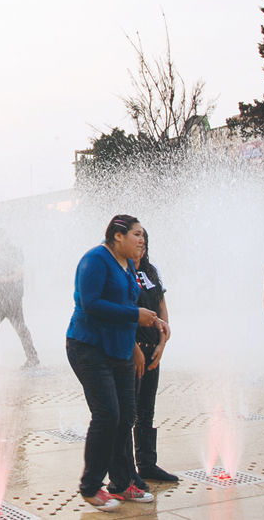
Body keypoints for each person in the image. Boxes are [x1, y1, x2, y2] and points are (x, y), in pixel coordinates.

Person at [67, 215, 169, 512]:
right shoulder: (95, 260)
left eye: (143, 236)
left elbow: (126, 305)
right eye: (136, 234)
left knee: (127, 415)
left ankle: (122, 483)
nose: (142, 240)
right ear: (117, 235)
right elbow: (92, 304)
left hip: (121, 349)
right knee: (107, 414)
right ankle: (90, 486)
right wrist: (136, 316)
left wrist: (140, 339)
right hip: (89, 348)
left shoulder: (129, 266)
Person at [130, 232, 178, 487]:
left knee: (146, 409)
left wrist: (162, 344)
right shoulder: (121, 271)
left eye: (145, 242)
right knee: (128, 411)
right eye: (136, 239)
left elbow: (161, 307)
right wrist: (133, 347)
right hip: (130, 351)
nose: (141, 246)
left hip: (152, 349)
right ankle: (125, 470)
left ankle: (147, 464)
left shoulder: (151, 271)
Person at [0, 228, 39, 367]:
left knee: (20, 327)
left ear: (0, 239)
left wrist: (2, 279)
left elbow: (20, 274)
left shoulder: (13, 249)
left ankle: (32, 358)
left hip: (12, 296)